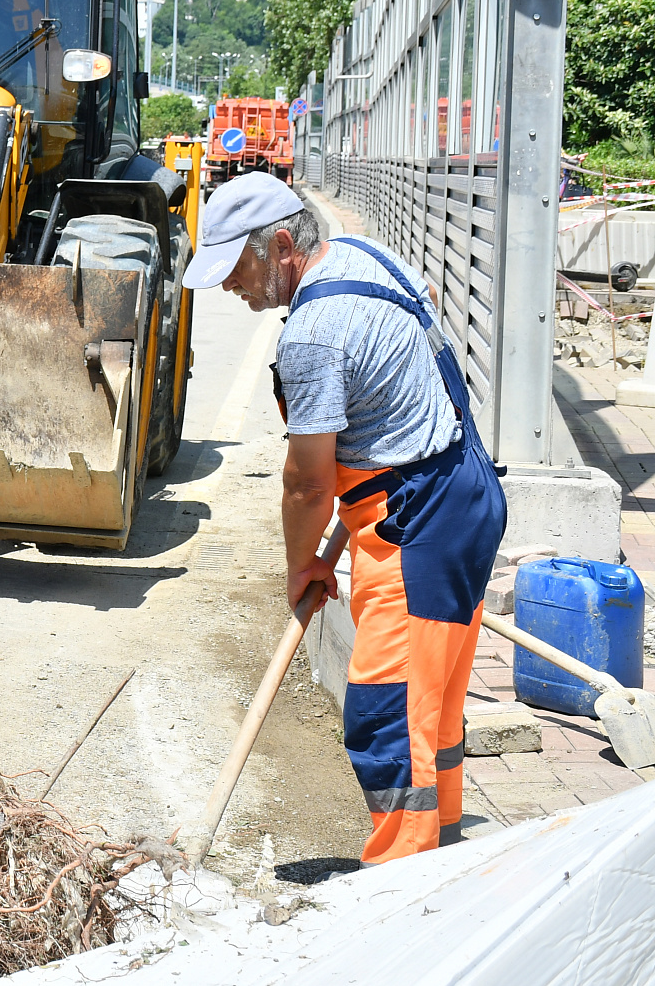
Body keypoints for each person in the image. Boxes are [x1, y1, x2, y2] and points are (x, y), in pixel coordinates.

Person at [183, 172, 504, 865]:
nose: (228, 289)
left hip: (416, 526)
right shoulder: (367, 255)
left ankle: (398, 885)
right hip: (464, 493)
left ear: (279, 246)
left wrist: (302, 562)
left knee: (385, 715)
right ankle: (440, 849)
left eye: (234, 269)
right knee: (432, 703)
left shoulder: (311, 337)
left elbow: (307, 482)